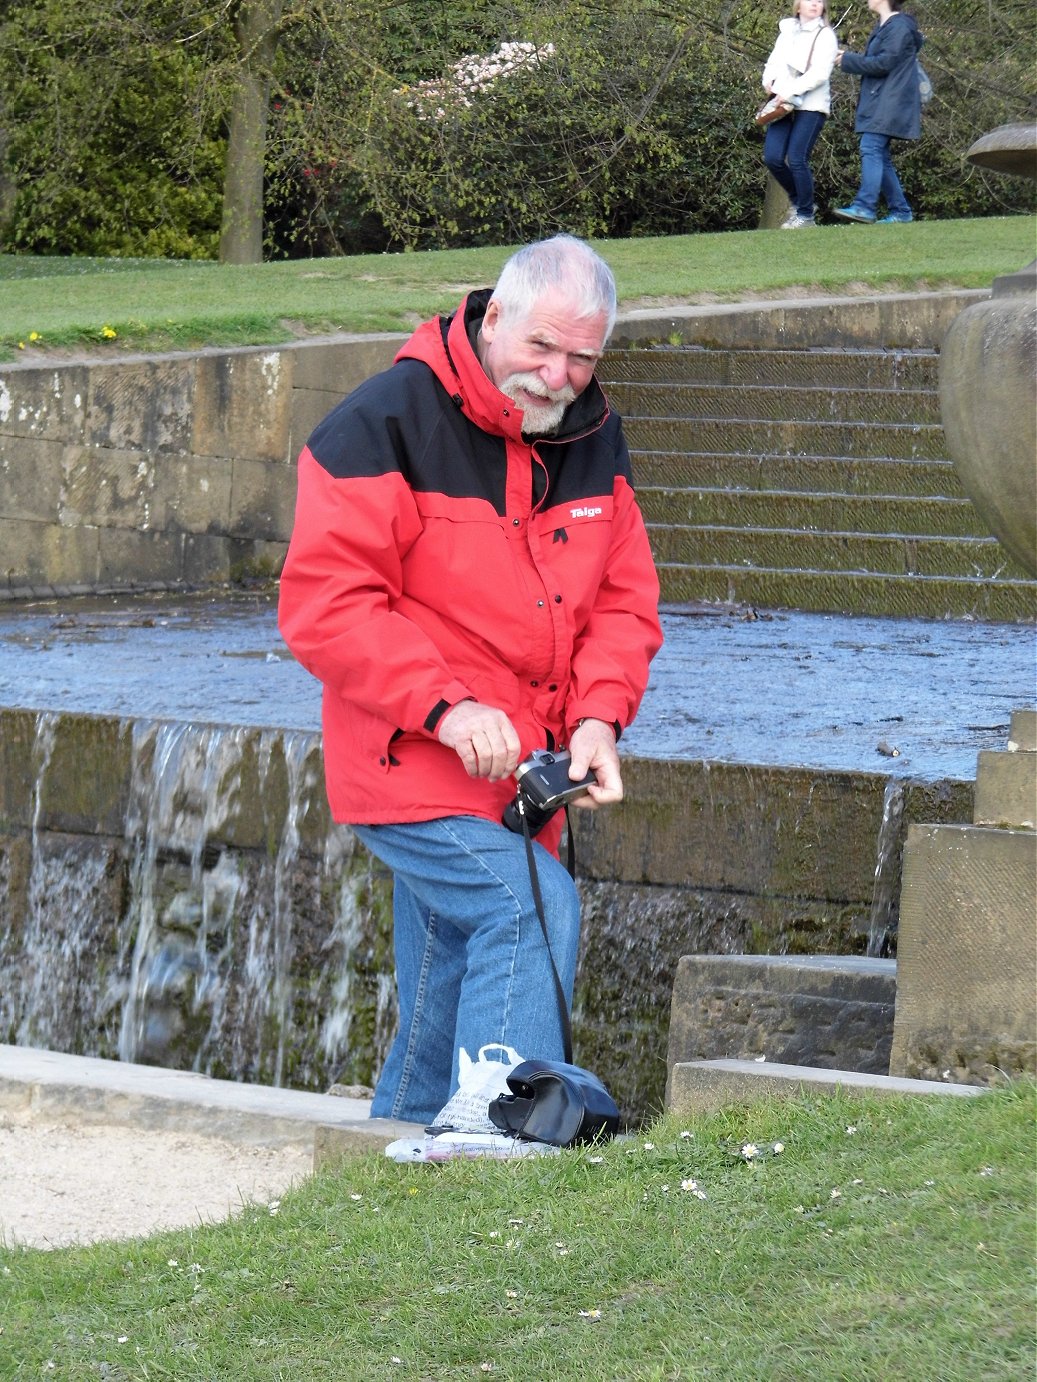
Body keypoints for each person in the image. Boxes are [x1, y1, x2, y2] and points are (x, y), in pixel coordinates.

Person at [277, 234, 663, 1126]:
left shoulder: (594, 438)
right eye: (541, 348)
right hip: (409, 757)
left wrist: (601, 721)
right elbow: (326, 606)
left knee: (450, 966)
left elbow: (624, 601)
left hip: (522, 774)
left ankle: (398, 1143)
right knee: (529, 911)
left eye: (581, 356)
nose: (559, 375)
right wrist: (444, 708)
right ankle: (499, 1138)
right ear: (493, 321)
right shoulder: (379, 422)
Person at [833, 0, 924, 223]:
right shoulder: (888, 26)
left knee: (871, 147)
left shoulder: (899, 26)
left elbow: (884, 63)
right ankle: (901, 212)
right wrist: (846, 58)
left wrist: (848, 60)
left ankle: (865, 207)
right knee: (879, 154)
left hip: (890, 101)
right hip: (882, 99)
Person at [761, 0, 840, 229]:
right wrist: (768, 81)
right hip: (782, 104)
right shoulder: (787, 31)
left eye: (819, 1)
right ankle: (801, 202)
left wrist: (789, 91)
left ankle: (805, 216)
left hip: (811, 104)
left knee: (797, 158)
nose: (815, 4)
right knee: (773, 157)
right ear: (798, 5)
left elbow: (820, 74)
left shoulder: (826, 35)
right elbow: (774, 61)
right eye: (810, 0)